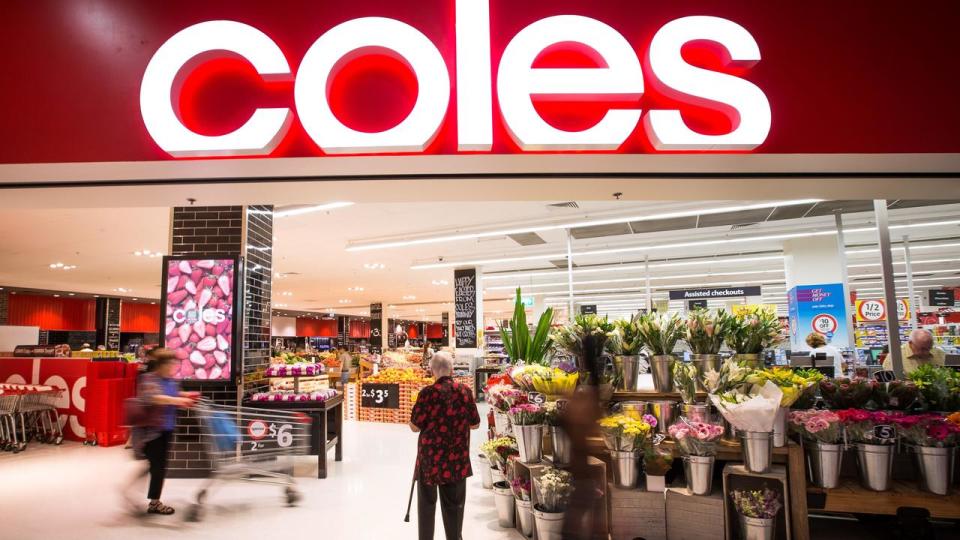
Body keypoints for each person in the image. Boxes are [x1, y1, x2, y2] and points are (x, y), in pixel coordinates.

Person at [409, 352, 480, 540]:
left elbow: (415, 427)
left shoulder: (427, 394)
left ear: (433, 370)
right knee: (454, 507)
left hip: (430, 461)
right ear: (452, 369)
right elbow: (475, 424)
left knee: (426, 506)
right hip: (456, 461)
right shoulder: (464, 391)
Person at [124, 348, 194, 515]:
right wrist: (178, 400)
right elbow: (154, 398)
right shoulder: (148, 379)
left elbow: (173, 393)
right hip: (151, 432)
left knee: (155, 466)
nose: (174, 367)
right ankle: (154, 503)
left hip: (167, 429)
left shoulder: (171, 381)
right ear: (161, 365)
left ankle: (131, 491)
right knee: (158, 466)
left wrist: (187, 395)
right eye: (171, 364)